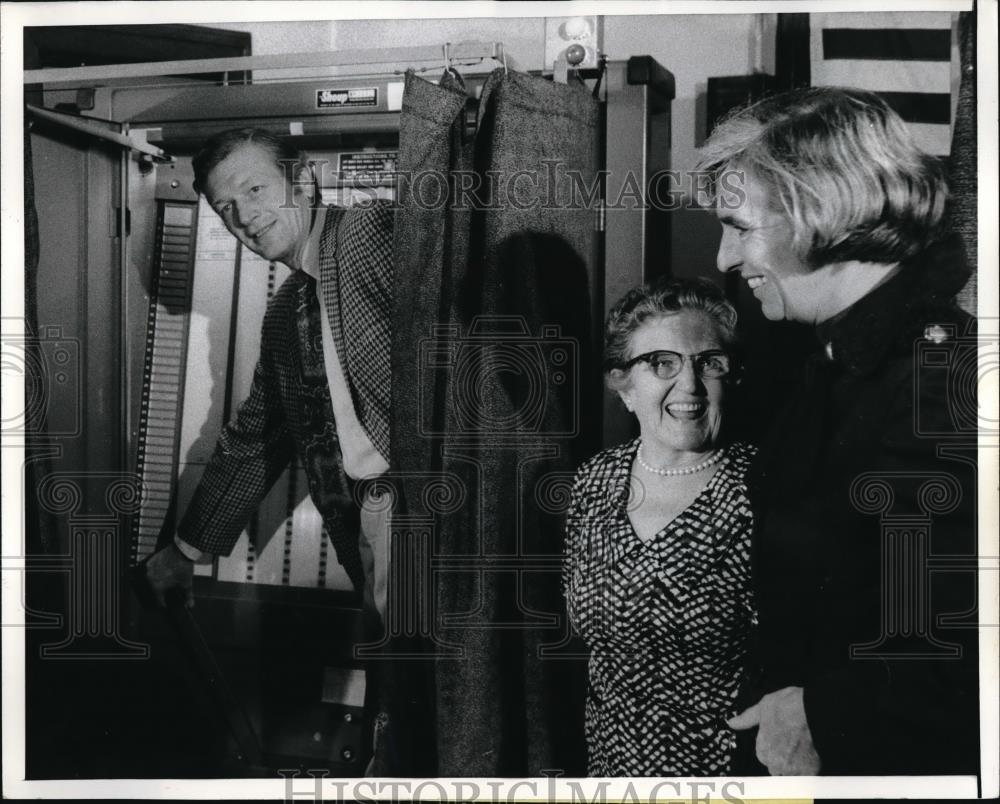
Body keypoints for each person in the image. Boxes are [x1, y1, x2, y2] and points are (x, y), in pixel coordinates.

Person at [698, 87, 979, 775]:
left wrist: (820, 711)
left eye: (739, 226)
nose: (724, 260)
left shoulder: (937, 387)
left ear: (817, 209)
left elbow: (962, 657)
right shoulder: (838, 361)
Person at [144, 128, 393, 627]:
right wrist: (184, 551)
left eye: (254, 191)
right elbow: (258, 437)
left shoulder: (368, 231)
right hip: (372, 523)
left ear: (301, 179)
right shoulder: (287, 311)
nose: (244, 217)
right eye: (226, 208)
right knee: (410, 681)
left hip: (442, 515)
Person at [563, 277, 757, 776]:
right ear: (623, 385)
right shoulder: (593, 482)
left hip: (724, 772)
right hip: (609, 765)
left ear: (731, 380)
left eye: (708, 363)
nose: (689, 385)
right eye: (661, 363)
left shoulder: (765, 488)